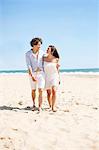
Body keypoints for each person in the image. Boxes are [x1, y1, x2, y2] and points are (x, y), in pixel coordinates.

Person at [25, 37, 45, 112]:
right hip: (32, 73)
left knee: (41, 90)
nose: (40, 46)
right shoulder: (28, 54)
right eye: (38, 45)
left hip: (41, 73)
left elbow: (47, 60)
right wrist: (32, 75)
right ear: (34, 45)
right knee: (33, 90)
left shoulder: (42, 53)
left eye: (40, 45)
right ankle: (33, 104)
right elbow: (28, 65)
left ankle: (40, 106)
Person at [43, 45, 60, 112]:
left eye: (48, 49)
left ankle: (53, 107)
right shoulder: (43, 58)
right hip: (47, 76)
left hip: (54, 76)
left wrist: (59, 78)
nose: (46, 49)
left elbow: (58, 70)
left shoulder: (56, 59)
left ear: (52, 51)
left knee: (54, 90)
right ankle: (50, 105)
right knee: (48, 93)